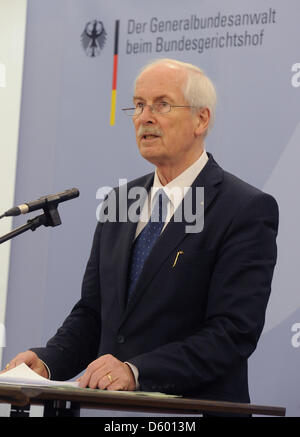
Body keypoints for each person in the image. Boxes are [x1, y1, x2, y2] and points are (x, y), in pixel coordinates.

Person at [4, 59, 278, 410]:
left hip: (192, 410)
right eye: (138, 105)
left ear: (201, 119)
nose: (144, 117)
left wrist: (136, 371)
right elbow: (93, 314)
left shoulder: (243, 208)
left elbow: (232, 332)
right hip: (111, 411)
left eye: (162, 104)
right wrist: (47, 361)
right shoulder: (121, 201)